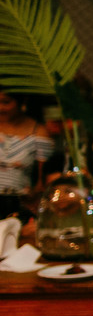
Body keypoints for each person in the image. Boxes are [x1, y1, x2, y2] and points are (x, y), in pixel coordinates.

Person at [0, 90, 55, 225]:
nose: (0, 107)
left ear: (22, 102)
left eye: (5, 102)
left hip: (15, 202)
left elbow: (42, 181)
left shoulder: (38, 133)